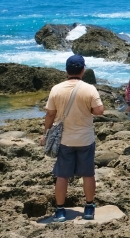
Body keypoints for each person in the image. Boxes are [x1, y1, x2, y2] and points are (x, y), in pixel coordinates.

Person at [40, 54, 104, 222]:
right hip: (85, 139)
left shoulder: (56, 89)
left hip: (65, 140)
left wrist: (45, 133)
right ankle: (89, 208)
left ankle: (60, 210)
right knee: (88, 174)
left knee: (62, 176)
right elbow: (99, 111)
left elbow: (50, 114)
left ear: (66, 70)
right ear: (83, 70)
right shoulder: (89, 89)